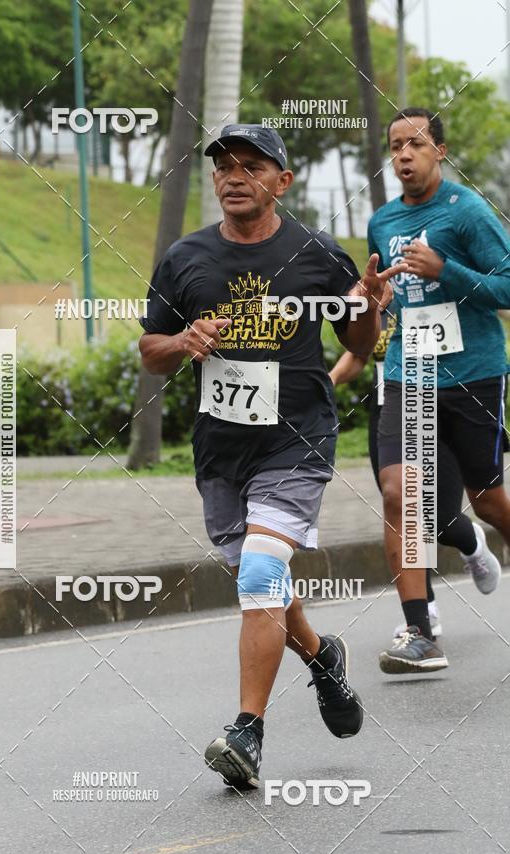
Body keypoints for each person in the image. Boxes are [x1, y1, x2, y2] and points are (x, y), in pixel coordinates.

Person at [138, 123, 404, 790]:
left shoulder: (317, 255)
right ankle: (321, 657)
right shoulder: (185, 258)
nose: (234, 176)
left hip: (298, 440)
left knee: (260, 572)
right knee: (262, 585)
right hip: (221, 449)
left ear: (281, 182)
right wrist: (183, 341)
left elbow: (361, 339)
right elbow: (150, 348)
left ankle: (246, 731)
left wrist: (370, 306)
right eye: (224, 165)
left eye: (252, 166)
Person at [367, 107, 508, 675]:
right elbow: (386, 295)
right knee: (400, 492)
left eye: (416, 144)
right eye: (396, 145)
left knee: (487, 499)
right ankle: (420, 632)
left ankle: (476, 538)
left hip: (474, 375)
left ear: (439, 152)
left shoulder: (468, 212)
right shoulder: (381, 221)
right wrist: (371, 298)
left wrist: (446, 270)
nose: (404, 155)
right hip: (410, 374)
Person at [330, 306, 502, 641]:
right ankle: (426, 614)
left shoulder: (435, 297)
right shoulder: (377, 303)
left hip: (441, 402)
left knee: (440, 519)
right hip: (390, 409)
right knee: (403, 507)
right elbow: (358, 355)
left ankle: (472, 544)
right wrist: (331, 378)